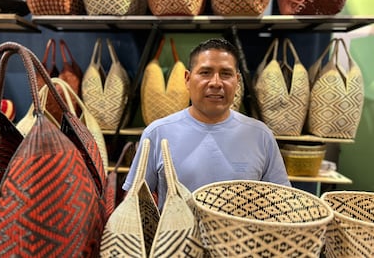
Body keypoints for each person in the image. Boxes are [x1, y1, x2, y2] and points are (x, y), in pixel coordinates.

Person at [122, 38, 291, 209]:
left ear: (237, 81)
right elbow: (133, 204)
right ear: (187, 79)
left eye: (226, 73)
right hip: (175, 235)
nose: (216, 83)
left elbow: (281, 203)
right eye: (205, 72)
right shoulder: (157, 133)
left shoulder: (260, 136)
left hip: (240, 236)